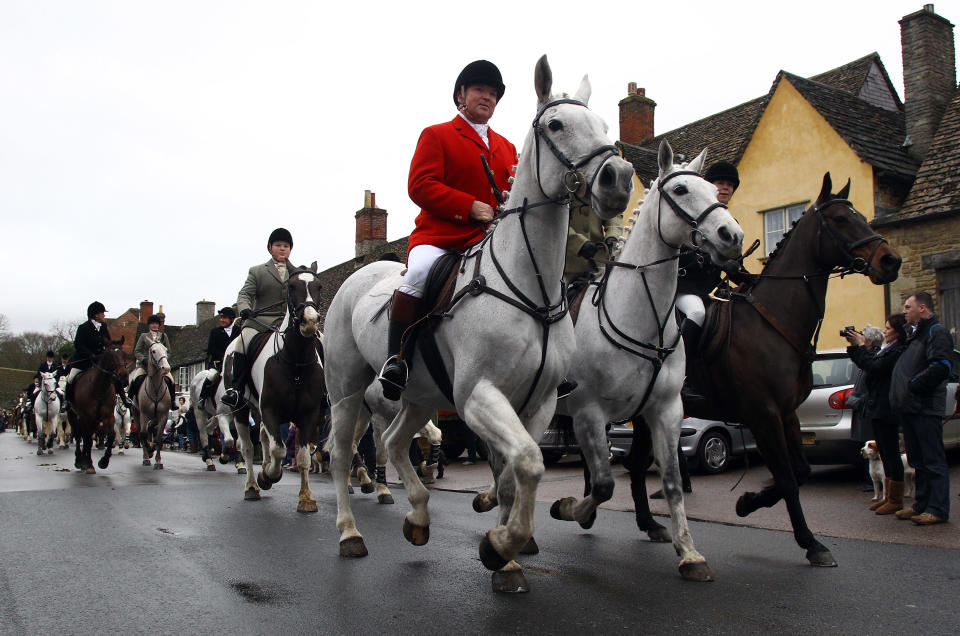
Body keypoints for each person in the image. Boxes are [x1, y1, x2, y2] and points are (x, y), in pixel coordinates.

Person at [377, 60, 516, 400]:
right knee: (418, 274)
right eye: (480, 90)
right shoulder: (437, 134)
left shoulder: (508, 148)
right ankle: (397, 361)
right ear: (461, 96)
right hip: (441, 237)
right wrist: (468, 206)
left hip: (489, 240)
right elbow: (420, 185)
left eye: (493, 93)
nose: (487, 97)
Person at [676, 160, 755, 356]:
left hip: (714, 289)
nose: (725, 187)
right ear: (709, 185)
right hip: (685, 287)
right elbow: (683, 257)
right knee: (697, 313)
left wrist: (748, 277)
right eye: (720, 182)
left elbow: (736, 264)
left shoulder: (731, 223)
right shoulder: (693, 216)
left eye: (730, 184)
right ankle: (684, 371)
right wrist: (716, 262)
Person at [890, 292, 952, 526]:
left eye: (908, 306)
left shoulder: (937, 332)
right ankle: (921, 505)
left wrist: (914, 385)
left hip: (924, 407)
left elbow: (941, 366)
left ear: (923, 308)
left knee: (932, 460)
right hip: (910, 408)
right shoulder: (916, 334)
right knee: (918, 460)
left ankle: (937, 509)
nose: (904, 310)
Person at [222, 228, 296, 407]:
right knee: (242, 342)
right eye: (278, 245)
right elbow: (244, 294)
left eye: (286, 246)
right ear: (270, 247)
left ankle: (324, 389)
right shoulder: (257, 271)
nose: (282, 249)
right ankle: (237, 389)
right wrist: (245, 309)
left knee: (319, 339)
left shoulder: (297, 273)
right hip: (260, 320)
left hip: (287, 321)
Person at [844, 315, 909, 514]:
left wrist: (860, 347)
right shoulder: (888, 350)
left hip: (887, 407)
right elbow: (868, 365)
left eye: (889, 328)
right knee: (886, 454)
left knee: (891, 453)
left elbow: (874, 366)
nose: (886, 331)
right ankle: (889, 496)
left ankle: (895, 499)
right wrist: (856, 348)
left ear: (898, 332)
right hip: (878, 406)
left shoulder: (897, 350)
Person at [64, 301, 130, 409]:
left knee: (115, 375)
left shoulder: (103, 326)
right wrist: (90, 354)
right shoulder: (83, 327)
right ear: (96, 315)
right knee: (70, 379)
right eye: (102, 313)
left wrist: (114, 346)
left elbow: (107, 342)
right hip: (84, 361)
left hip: (100, 361)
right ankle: (67, 401)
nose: (104, 315)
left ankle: (124, 398)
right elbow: (78, 345)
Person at [844, 325, 884, 492]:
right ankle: (871, 481)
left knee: (873, 445)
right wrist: (854, 346)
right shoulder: (867, 356)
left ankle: (875, 482)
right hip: (863, 408)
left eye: (863, 336)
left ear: (869, 340)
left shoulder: (875, 356)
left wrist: (857, 401)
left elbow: (873, 384)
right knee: (865, 445)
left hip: (868, 408)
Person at [128, 314, 175, 406]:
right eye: (153, 323)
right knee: (135, 379)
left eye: (157, 323)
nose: (155, 325)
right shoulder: (143, 336)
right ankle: (130, 399)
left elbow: (168, 351)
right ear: (149, 325)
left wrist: (163, 360)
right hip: (145, 366)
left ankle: (172, 401)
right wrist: (143, 360)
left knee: (171, 380)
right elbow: (137, 351)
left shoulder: (163, 336)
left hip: (160, 367)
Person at [197, 307, 238, 409]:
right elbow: (211, 349)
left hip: (235, 361)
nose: (221, 320)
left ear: (232, 319)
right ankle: (202, 397)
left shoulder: (238, 331)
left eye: (224, 318)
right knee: (211, 376)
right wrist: (224, 357)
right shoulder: (215, 332)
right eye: (221, 317)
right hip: (218, 362)